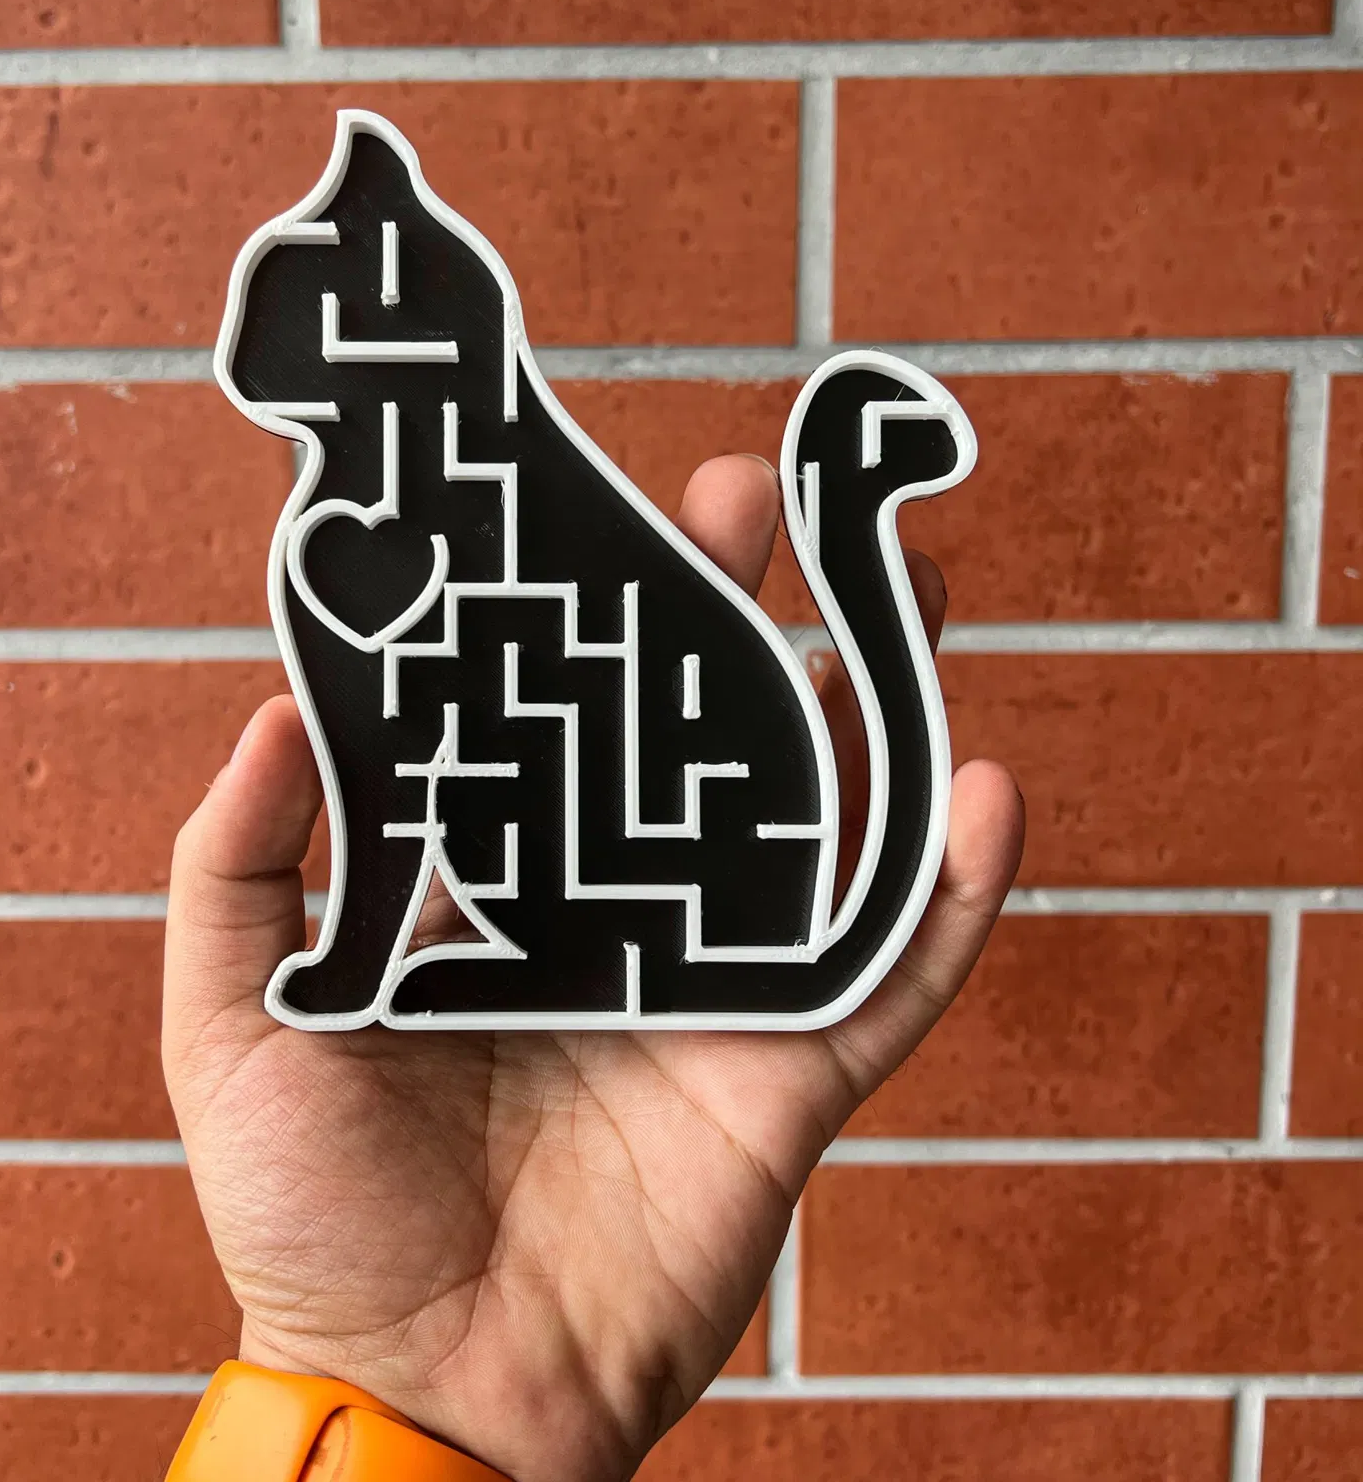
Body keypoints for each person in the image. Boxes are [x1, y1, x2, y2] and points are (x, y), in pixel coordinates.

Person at [162, 454, 1025, 1482]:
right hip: (645, 936)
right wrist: (385, 1377)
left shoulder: (458, 513)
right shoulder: (417, 523)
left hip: (697, 920)